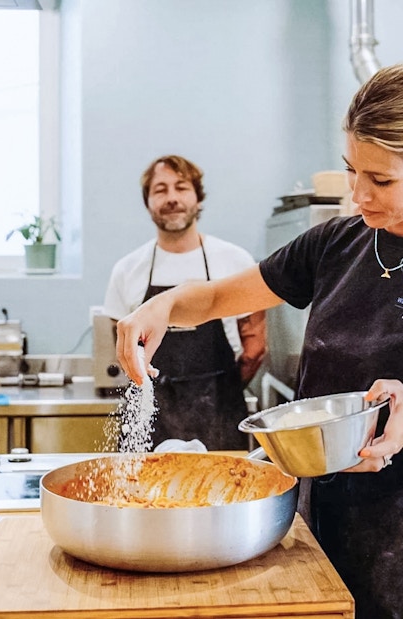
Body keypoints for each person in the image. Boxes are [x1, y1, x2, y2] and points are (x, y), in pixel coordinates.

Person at [115, 64, 403, 619]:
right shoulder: (336, 244)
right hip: (324, 516)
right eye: (350, 171)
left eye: (382, 180)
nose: (359, 194)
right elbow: (219, 298)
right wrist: (165, 304)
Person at [103, 154, 266, 451]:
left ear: (198, 198)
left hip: (219, 414)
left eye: (181, 187)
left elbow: (255, 349)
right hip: (149, 416)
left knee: (222, 495)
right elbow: (125, 350)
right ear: (148, 202)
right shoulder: (127, 270)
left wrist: (221, 386)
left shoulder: (235, 260)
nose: (172, 198)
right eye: (160, 190)